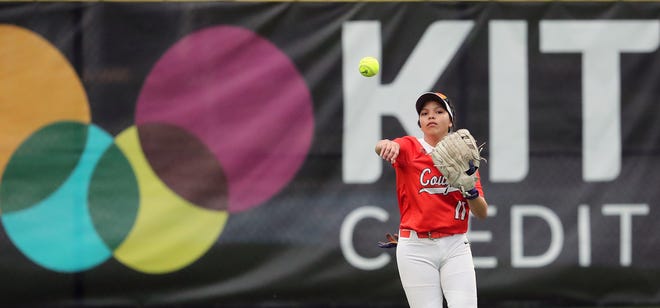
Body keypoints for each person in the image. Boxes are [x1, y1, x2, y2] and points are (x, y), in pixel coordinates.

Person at [374, 92, 488, 308]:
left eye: (438, 111)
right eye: (424, 113)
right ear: (419, 123)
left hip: (455, 245)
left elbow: (481, 212)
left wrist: (469, 190)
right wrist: (387, 145)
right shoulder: (409, 147)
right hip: (416, 247)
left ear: (450, 120)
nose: (431, 116)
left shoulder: (463, 156)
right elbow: (382, 146)